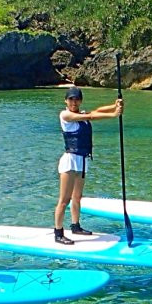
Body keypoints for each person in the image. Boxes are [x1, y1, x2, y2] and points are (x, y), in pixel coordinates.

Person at [55, 86, 122, 244]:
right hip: (70, 161)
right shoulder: (65, 115)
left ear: (81, 101)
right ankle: (58, 233)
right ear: (66, 101)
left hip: (82, 161)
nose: (74, 102)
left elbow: (96, 111)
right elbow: (92, 116)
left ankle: (75, 226)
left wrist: (114, 105)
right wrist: (113, 114)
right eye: (71, 99)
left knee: (77, 197)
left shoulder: (82, 115)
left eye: (77, 99)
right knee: (64, 200)